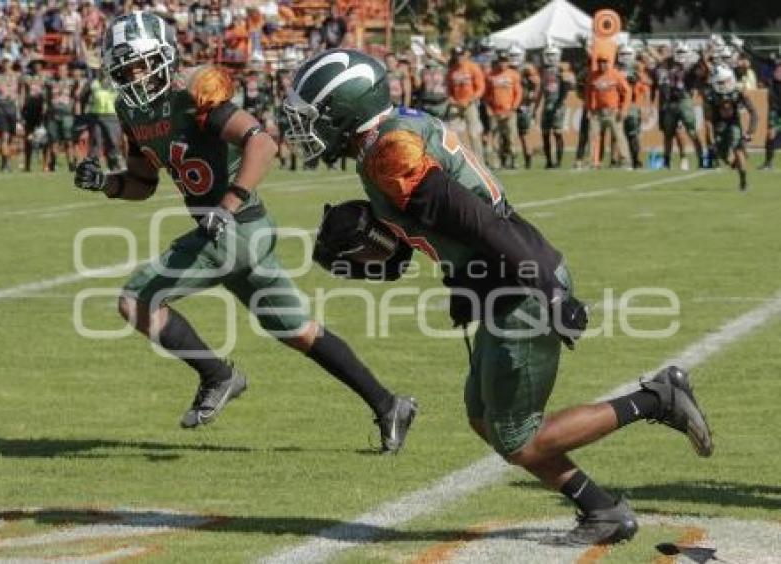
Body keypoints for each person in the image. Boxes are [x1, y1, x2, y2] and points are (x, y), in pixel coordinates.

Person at [284, 47, 714, 546]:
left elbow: (474, 217)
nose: (306, 128)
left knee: (516, 434)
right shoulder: (392, 132)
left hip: (518, 281)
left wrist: (543, 285)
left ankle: (656, 399)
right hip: (500, 277)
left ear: (347, 106)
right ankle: (601, 509)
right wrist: (459, 280)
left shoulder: (388, 153)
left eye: (315, 115)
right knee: (484, 417)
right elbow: (457, 218)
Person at [73, 12, 416, 453]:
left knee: (135, 301)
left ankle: (218, 375)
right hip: (233, 234)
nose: (133, 76)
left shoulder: (194, 92)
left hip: (237, 226)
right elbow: (143, 184)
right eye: (124, 68)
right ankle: (389, 404)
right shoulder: (131, 110)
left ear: (164, 57)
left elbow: (262, 143)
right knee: (298, 330)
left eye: (140, 64)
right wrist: (105, 182)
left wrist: (228, 203)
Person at [704, 65, 757, 191]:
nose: (721, 85)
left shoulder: (739, 92)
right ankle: (737, 165)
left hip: (734, 123)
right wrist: (710, 139)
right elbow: (708, 120)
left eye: (723, 82)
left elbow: (753, 112)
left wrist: (750, 132)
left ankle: (744, 182)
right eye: (719, 82)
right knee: (724, 156)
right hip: (719, 125)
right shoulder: (711, 95)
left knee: (737, 148)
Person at [659, 43, 704, 170]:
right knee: (668, 133)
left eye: (683, 52)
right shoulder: (669, 64)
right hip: (671, 101)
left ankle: (701, 159)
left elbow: (699, 72)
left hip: (684, 100)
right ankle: (666, 162)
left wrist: (700, 58)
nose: (680, 55)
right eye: (678, 52)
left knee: (691, 131)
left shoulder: (691, 67)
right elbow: (661, 62)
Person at [586, 55, 630, 169]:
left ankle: (625, 161)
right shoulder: (593, 76)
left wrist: (624, 109)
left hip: (613, 111)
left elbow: (627, 91)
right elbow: (588, 94)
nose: (602, 64)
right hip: (597, 112)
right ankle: (593, 161)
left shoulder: (615, 74)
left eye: (605, 62)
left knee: (619, 136)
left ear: (609, 63)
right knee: (593, 136)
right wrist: (589, 108)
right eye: (600, 62)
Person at [446, 46, 485, 163]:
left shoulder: (473, 67)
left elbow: (480, 87)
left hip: (470, 104)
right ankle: (457, 160)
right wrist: (450, 99)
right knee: (453, 133)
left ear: (465, 54)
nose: (459, 58)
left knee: (474, 133)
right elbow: (448, 89)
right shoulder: (452, 70)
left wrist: (471, 99)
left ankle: (479, 161)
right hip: (456, 104)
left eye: (461, 55)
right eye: (457, 55)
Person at [483, 51, 521, 170]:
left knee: (511, 137)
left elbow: (518, 93)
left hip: (509, 111)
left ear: (508, 62)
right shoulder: (491, 75)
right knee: (495, 138)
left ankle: (513, 159)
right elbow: (486, 94)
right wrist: (488, 108)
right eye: (500, 61)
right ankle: (497, 161)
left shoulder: (513, 74)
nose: (502, 64)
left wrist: (513, 108)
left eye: (504, 61)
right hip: (495, 112)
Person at [538, 45, 573, 169]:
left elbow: (569, 86)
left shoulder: (562, 70)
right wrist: (536, 106)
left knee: (557, 133)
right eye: (548, 55)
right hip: (547, 105)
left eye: (553, 55)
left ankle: (558, 161)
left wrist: (560, 103)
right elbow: (541, 90)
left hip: (558, 105)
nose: (550, 58)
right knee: (545, 133)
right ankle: (548, 161)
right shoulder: (543, 71)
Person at [617, 44, 650, 170]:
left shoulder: (638, 68)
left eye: (628, 54)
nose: (625, 57)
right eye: (623, 54)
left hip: (632, 105)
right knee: (618, 135)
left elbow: (647, 84)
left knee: (632, 134)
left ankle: (636, 160)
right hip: (618, 104)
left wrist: (638, 74)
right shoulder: (615, 68)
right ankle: (620, 161)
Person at [45, 62, 78, 171]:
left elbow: (76, 96)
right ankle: (53, 163)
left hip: (67, 115)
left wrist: (73, 107)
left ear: (67, 71)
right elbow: (47, 97)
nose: (61, 72)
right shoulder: (50, 82)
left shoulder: (72, 82)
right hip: (53, 114)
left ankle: (71, 164)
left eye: (63, 70)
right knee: (53, 140)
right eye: (59, 70)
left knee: (69, 140)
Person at [0, 54, 20, 172]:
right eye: (4, 62)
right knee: (4, 136)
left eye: (8, 61)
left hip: (12, 108)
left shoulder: (18, 76)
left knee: (11, 137)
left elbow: (22, 91)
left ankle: (7, 160)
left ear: (12, 62)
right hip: (0, 108)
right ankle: (5, 163)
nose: (6, 64)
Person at [20, 58, 48, 172]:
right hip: (30, 109)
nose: (37, 66)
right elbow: (22, 93)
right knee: (28, 138)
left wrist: (47, 106)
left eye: (39, 64)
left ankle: (45, 164)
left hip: (42, 109)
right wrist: (21, 109)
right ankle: (27, 164)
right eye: (35, 64)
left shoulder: (46, 77)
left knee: (45, 138)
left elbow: (49, 93)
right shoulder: (26, 78)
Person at [415, 44, 448, 120]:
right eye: (427, 55)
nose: (428, 57)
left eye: (429, 55)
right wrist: (416, 70)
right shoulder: (423, 69)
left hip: (441, 104)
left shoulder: (444, 67)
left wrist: (423, 47)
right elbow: (418, 85)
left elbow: (439, 58)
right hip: (426, 103)